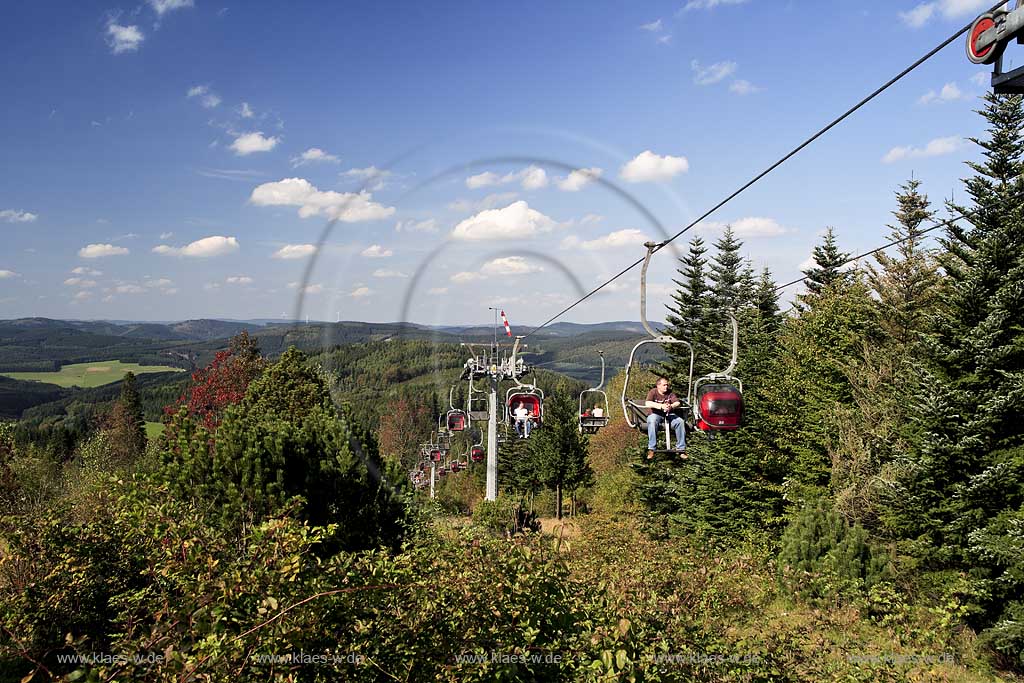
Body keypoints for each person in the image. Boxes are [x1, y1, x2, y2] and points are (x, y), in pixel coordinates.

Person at [645, 377, 686, 459]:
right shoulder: (653, 392)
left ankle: (681, 449)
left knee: (680, 422)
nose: (666, 387)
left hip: (669, 414)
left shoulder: (670, 393)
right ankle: (652, 449)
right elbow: (648, 403)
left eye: (667, 385)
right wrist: (660, 406)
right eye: (664, 385)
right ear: (658, 386)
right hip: (655, 413)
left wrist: (671, 406)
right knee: (652, 422)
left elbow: (677, 402)